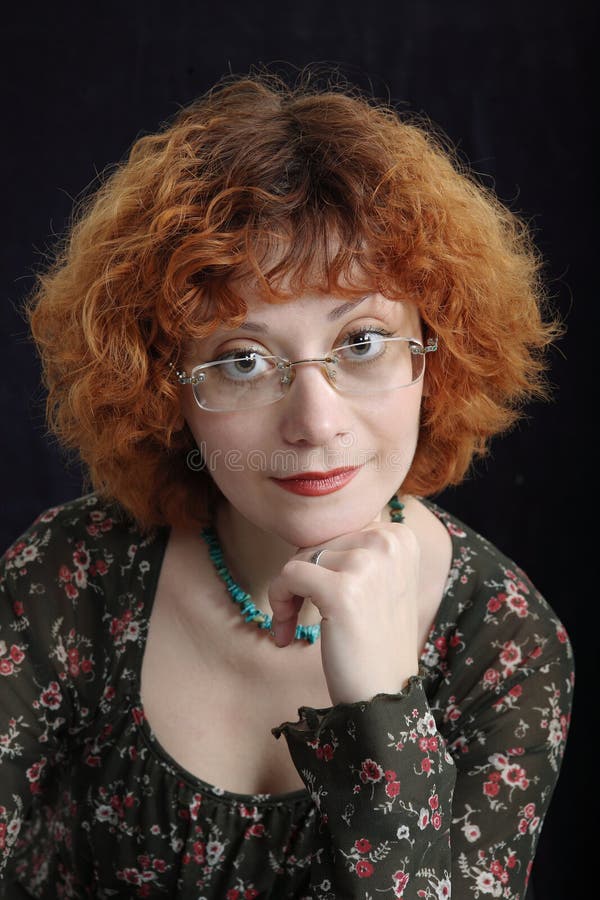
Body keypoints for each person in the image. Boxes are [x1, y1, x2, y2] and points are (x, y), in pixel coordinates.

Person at [0, 69, 574, 899]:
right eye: (242, 360)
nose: (315, 421)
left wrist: (381, 701)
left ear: (434, 358)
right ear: (168, 391)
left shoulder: (508, 647)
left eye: (364, 341)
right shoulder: (66, 579)